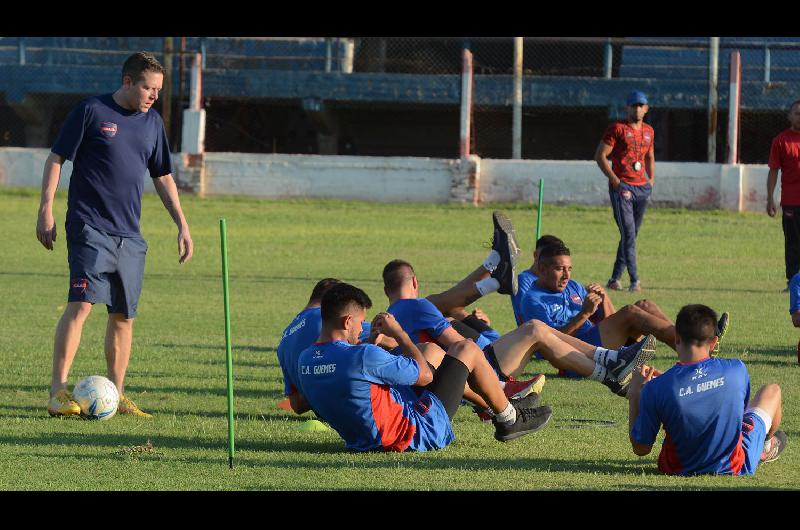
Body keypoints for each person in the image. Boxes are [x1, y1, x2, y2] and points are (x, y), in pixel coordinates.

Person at [37, 52, 193, 418]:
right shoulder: (91, 111)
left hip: (130, 235)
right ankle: (57, 391)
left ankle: (117, 394)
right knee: (81, 305)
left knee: (123, 316)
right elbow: (56, 158)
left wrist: (182, 223)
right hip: (89, 226)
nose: (153, 95)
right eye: (146, 87)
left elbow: (163, 176)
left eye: (157, 89)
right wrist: (45, 208)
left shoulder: (153, 122)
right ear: (127, 82)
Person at [295, 283, 554, 451]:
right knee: (466, 349)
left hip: (363, 438)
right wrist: (398, 333)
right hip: (416, 433)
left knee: (429, 351)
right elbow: (424, 375)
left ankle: (500, 407)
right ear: (348, 320)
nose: (360, 328)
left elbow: (345, 379)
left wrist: (372, 344)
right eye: (360, 322)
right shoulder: (362, 356)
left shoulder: (305, 359)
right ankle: (509, 419)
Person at [382, 258, 657, 400]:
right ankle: (609, 364)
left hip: (448, 379)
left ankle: (609, 367)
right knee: (535, 329)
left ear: (386, 290)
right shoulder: (418, 306)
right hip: (474, 372)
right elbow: (458, 345)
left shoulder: (387, 319)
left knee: (537, 331)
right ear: (415, 282)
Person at [628, 304, 787, 476]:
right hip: (734, 466)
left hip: (676, 469)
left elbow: (641, 448)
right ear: (714, 342)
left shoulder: (656, 388)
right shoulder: (737, 369)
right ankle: (766, 445)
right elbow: (738, 415)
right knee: (772, 391)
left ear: (676, 339)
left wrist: (635, 394)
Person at [595, 90, 655, 293]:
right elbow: (600, 156)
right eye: (633, 105)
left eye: (641, 105)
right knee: (628, 233)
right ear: (627, 108)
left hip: (642, 188)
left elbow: (650, 157)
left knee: (631, 234)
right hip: (623, 188)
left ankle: (614, 278)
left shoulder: (649, 131)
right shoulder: (617, 129)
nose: (637, 109)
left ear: (646, 109)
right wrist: (616, 181)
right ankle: (635, 280)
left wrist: (651, 180)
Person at [767, 99, 800, 292]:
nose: (799, 116)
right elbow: (773, 170)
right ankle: (794, 283)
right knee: (793, 244)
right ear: (789, 116)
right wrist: (770, 197)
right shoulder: (781, 140)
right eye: (796, 113)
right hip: (791, 203)